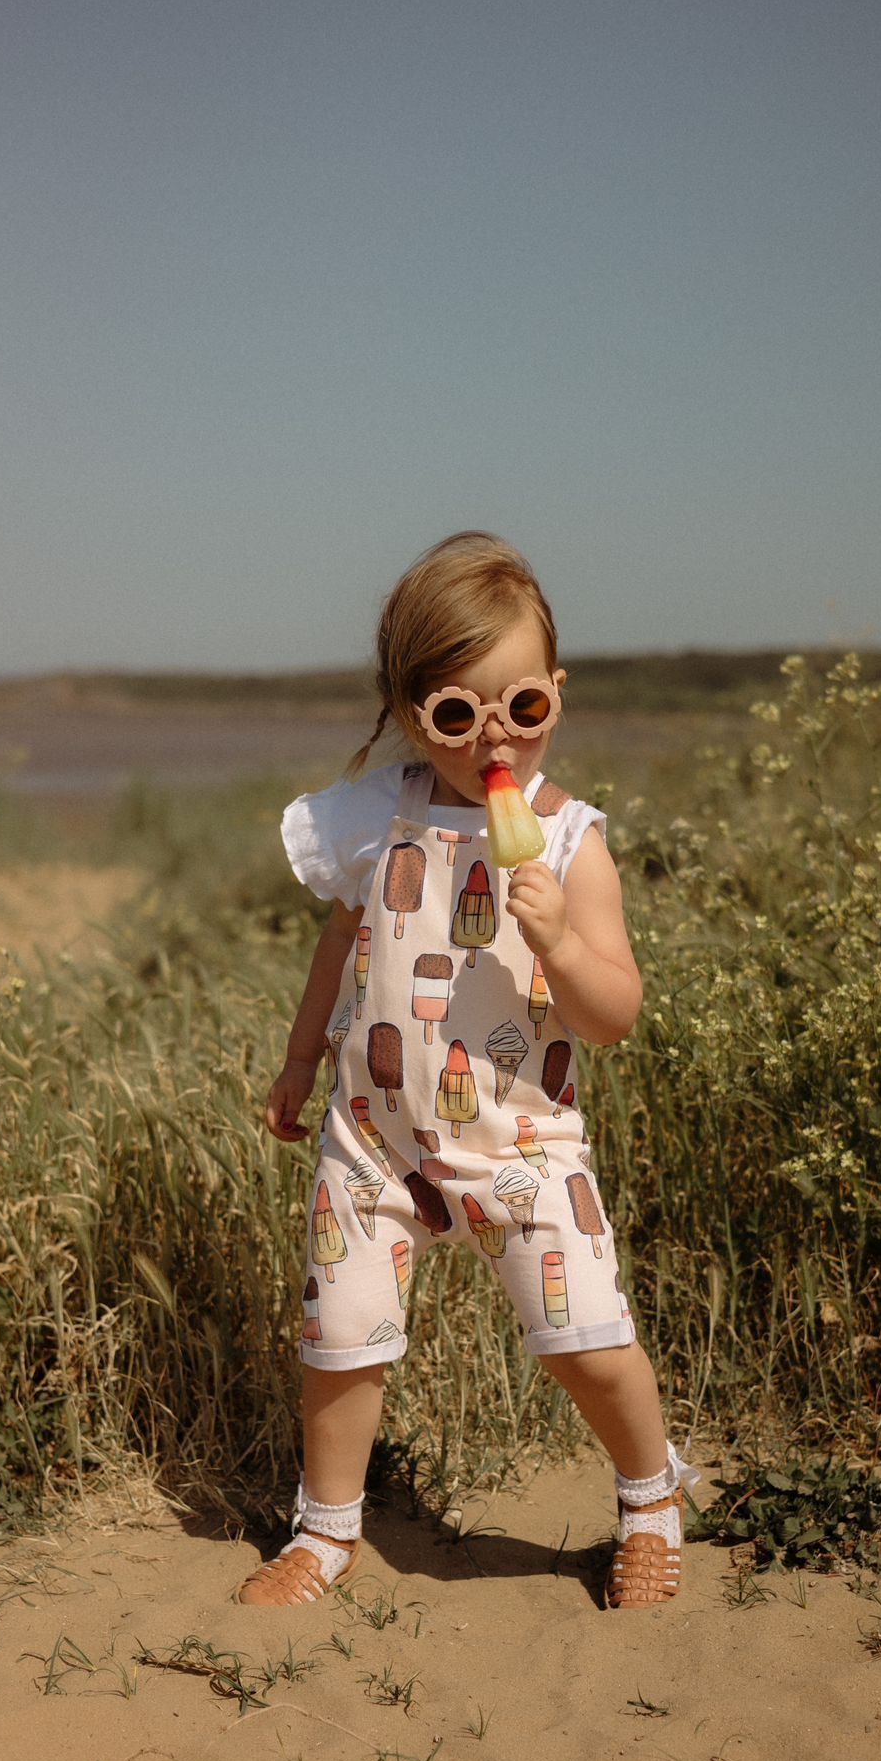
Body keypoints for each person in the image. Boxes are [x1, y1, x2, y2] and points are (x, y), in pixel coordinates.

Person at [237, 532, 698, 1612]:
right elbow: (339, 944)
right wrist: (302, 1058)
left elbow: (614, 1013)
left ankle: (649, 1498)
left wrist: (562, 945)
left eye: (523, 709)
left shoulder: (571, 840)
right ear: (411, 713)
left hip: (522, 1139)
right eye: (458, 714)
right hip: (376, 1131)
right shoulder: (374, 816)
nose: (496, 739)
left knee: (583, 1337)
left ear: (554, 695)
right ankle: (327, 1529)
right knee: (340, 1341)